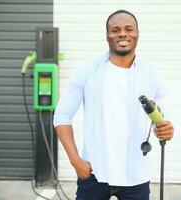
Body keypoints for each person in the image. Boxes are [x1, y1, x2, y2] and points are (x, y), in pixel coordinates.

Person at [53, 10, 174, 200]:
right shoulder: (87, 71)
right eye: (115, 30)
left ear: (137, 34)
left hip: (136, 177)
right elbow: (62, 116)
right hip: (94, 174)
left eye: (129, 29)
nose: (123, 34)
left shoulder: (152, 75)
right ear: (107, 36)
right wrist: (76, 161)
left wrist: (165, 130)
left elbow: (163, 121)